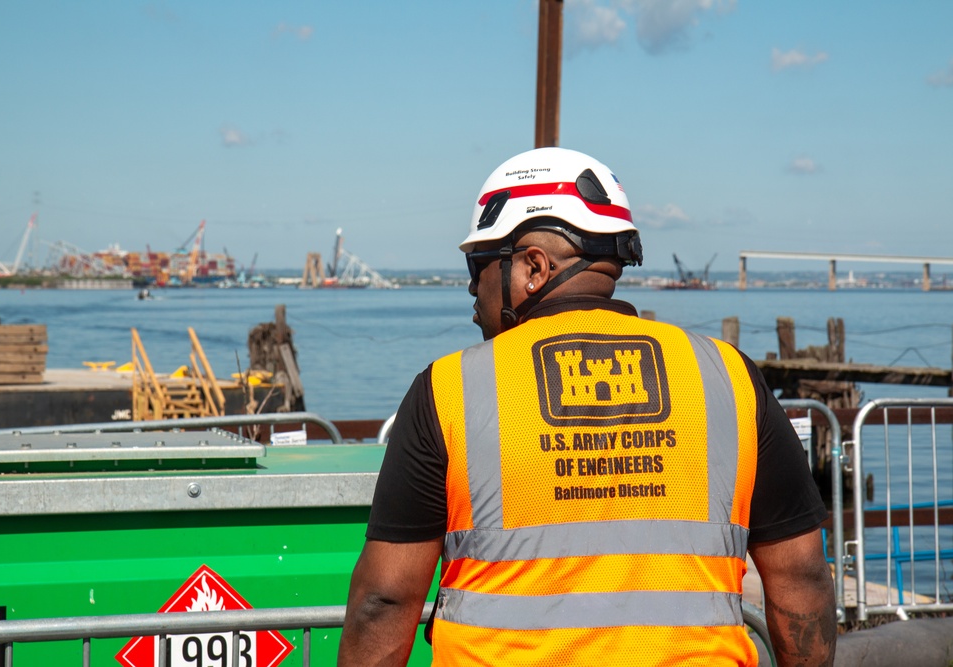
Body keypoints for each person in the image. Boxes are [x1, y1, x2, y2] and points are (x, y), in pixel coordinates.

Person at [339, 147, 836, 666]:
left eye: (478, 264)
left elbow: (385, 600)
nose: (470, 287)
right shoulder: (728, 377)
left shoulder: (449, 390)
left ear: (533, 266)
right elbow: (800, 575)